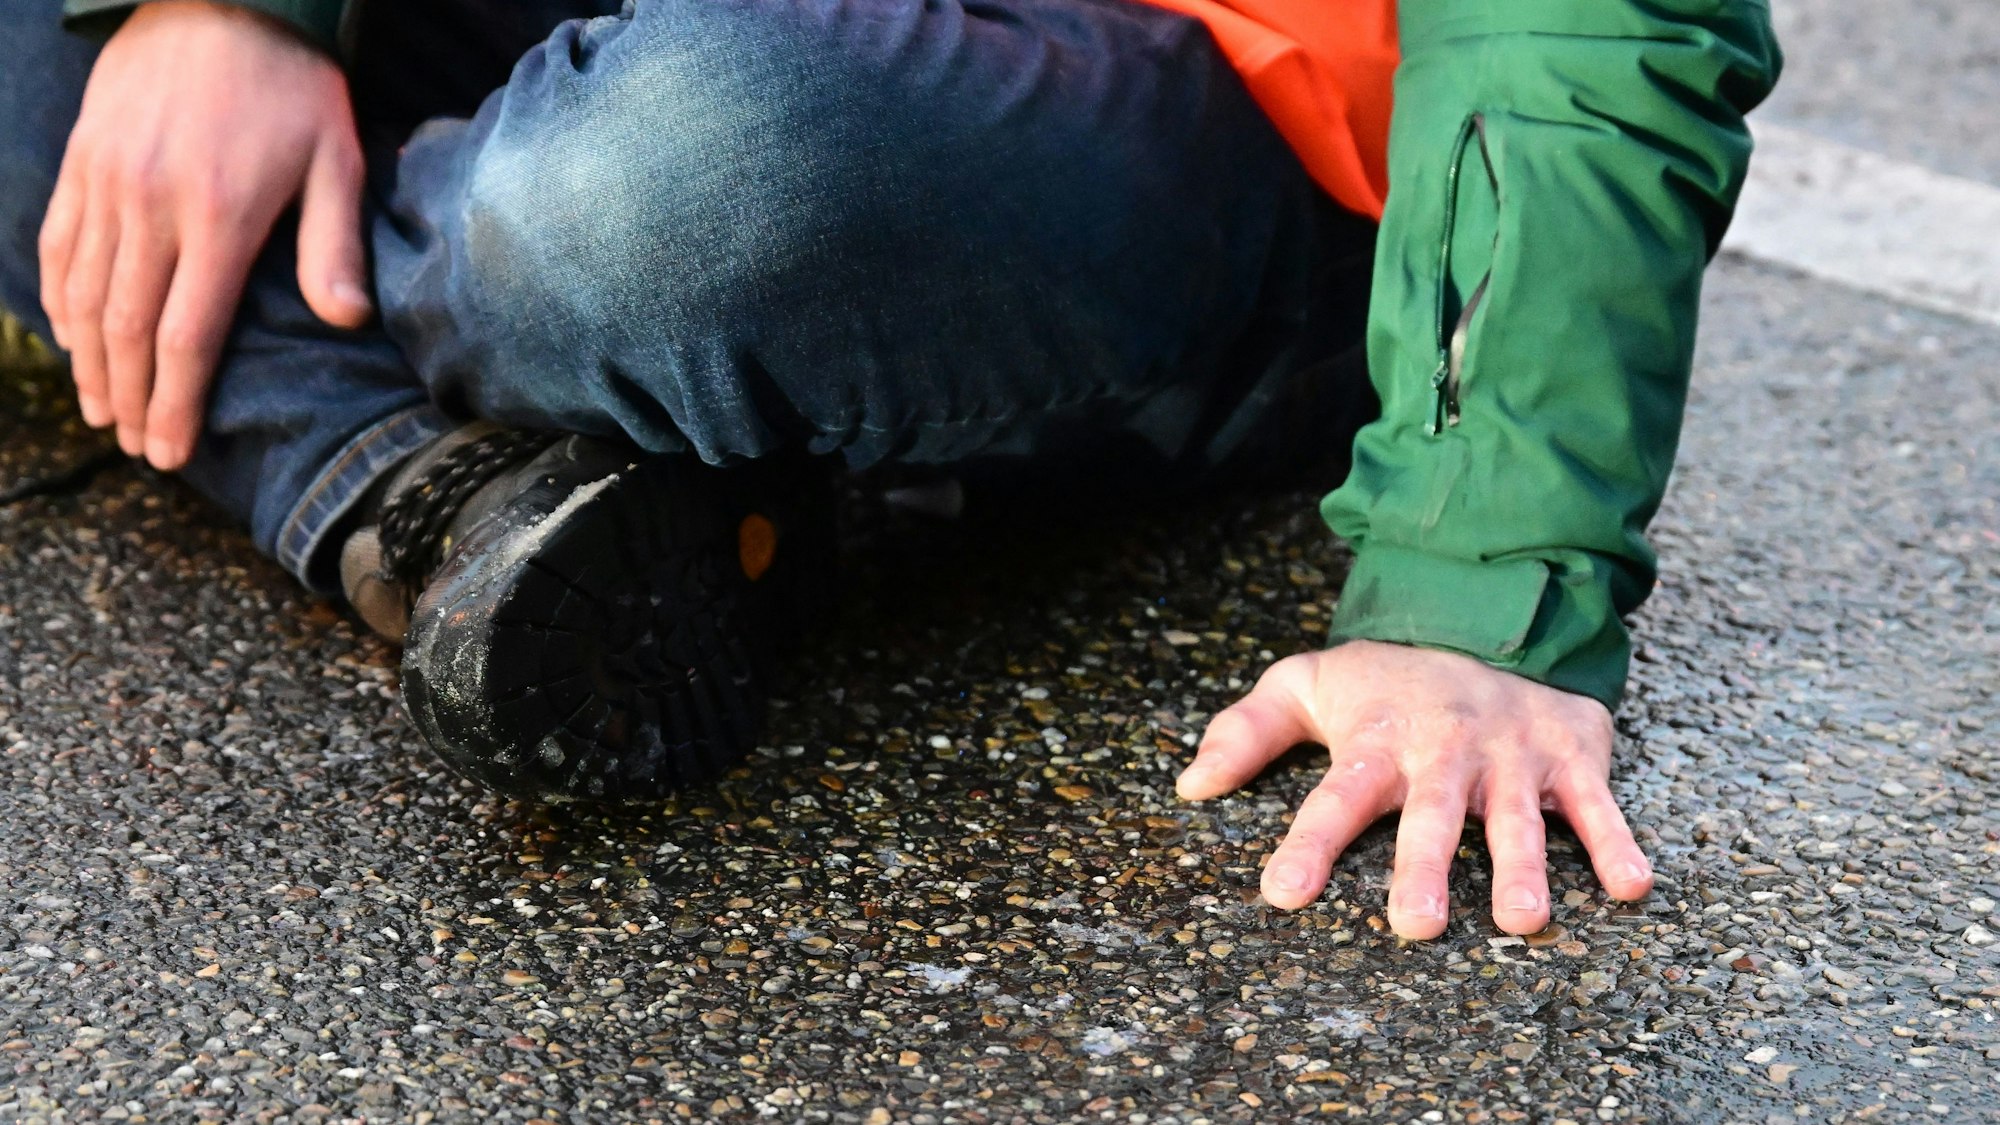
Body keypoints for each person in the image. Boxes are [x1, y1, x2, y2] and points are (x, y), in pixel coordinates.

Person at [0, 0, 1779, 940]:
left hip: (1225, 118)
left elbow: (1587, 38)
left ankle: (538, 389)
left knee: (647, 194)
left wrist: (1476, 587)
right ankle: (452, 488)